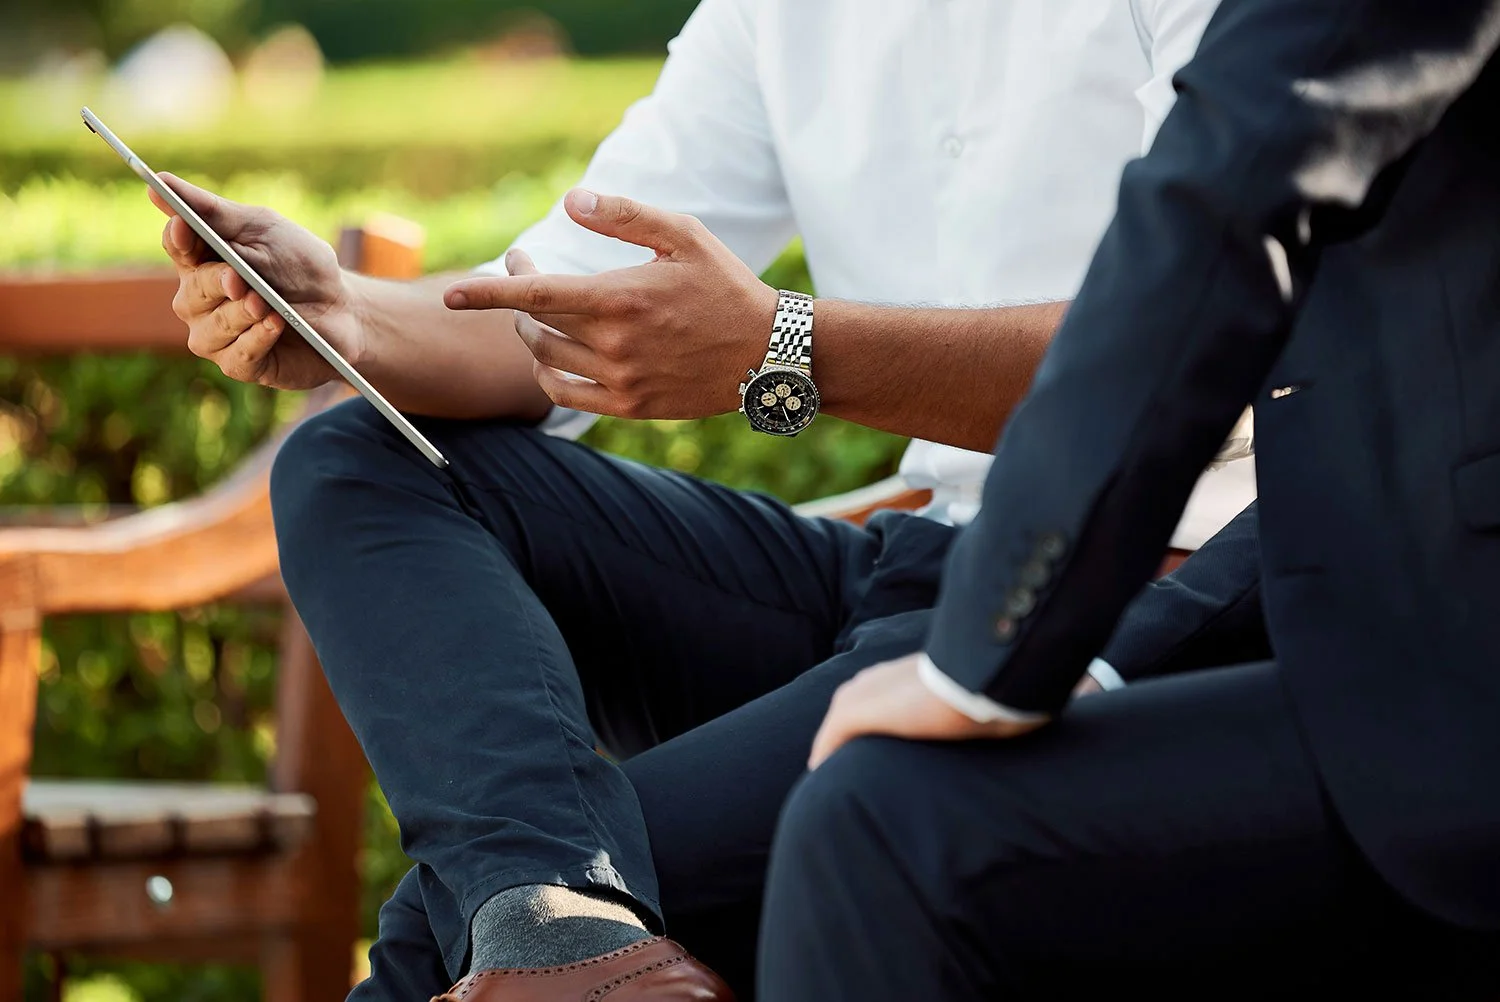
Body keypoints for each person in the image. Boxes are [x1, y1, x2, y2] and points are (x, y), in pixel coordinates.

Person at [150, 1, 1240, 999]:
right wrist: (346, 315)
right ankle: (560, 922)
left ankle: (555, 931)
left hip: (1144, 589)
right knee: (355, 461)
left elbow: (1205, 344)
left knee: (445, 935)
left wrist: (787, 347)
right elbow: (561, 304)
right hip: (918, 561)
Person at [754, 0, 1500, 998]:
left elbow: (1222, 205)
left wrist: (986, 657)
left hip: (1450, 685)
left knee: (882, 825)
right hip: (1361, 633)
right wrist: (1095, 655)